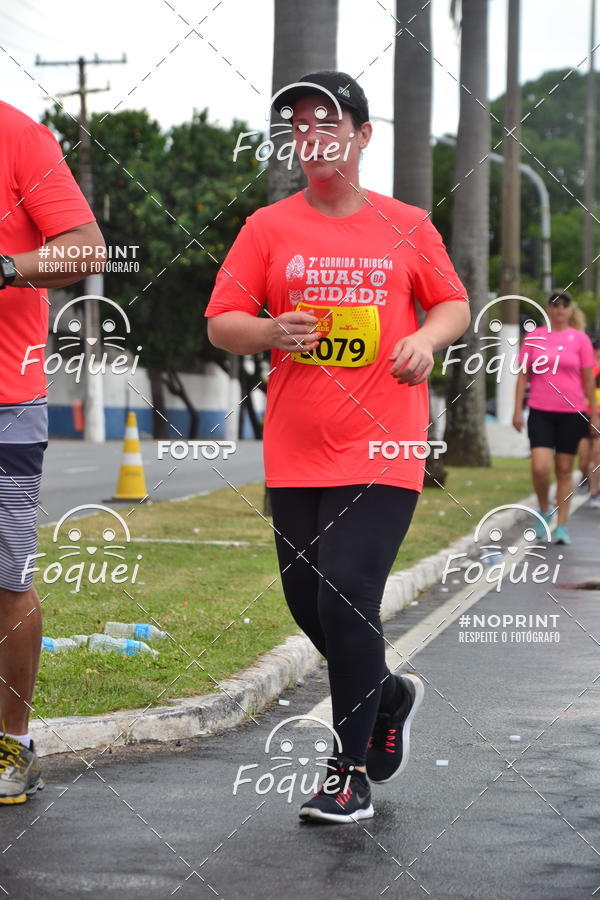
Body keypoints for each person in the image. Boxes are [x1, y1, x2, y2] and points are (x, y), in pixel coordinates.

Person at [205, 72, 470, 823]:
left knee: (346, 589)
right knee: (307, 599)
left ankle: (345, 773)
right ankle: (386, 695)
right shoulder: (268, 227)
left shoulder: (407, 225)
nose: (312, 134)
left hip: (384, 446)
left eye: (327, 121)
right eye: (298, 123)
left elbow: (452, 301)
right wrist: (266, 331)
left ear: (361, 134)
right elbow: (222, 318)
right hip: (297, 446)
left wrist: (423, 337)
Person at [0, 100, 105, 803]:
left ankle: (11, 744)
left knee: (4, 578)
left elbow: (85, 247)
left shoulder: (17, 135)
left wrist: (6, 265)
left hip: (5, 400)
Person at [513, 291, 599, 544]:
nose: (560, 308)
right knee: (539, 466)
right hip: (540, 410)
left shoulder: (580, 340)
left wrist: (593, 414)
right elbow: (522, 375)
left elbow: (588, 379)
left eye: (565, 304)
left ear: (571, 310)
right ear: (548, 309)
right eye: (555, 304)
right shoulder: (534, 337)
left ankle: (561, 525)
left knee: (564, 469)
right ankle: (543, 509)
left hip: (572, 412)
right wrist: (517, 409)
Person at [579, 337, 600, 507]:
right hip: (581, 413)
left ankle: (594, 493)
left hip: (599, 414)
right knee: (583, 458)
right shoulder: (583, 368)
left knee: (597, 455)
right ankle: (585, 477)